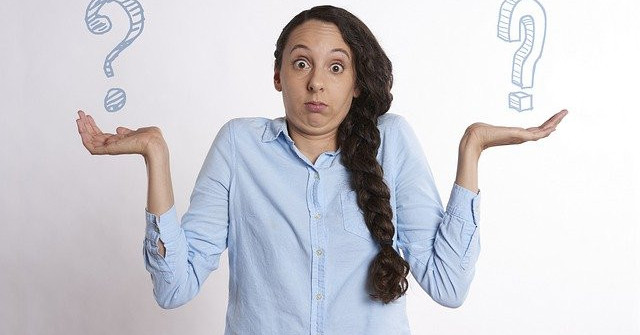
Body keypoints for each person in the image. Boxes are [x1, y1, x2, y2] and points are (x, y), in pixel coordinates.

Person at [76, 5, 568, 334]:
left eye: (336, 67)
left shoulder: (391, 140)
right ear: (277, 76)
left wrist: (472, 150)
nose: (316, 83)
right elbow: (172, 286)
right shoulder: (239, 146)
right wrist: (155, 157)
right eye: (300, 64)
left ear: (356, 82)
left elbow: (449, 285)